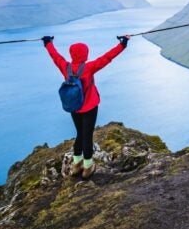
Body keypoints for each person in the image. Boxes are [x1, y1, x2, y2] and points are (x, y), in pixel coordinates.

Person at [42, 34, 130, 179]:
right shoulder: (89, 68)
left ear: (72, 54)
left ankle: (77, 165)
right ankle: (88, 167)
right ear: (85, 54)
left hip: (74, 107)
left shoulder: (66, 67)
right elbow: (107, 57)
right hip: (89, 107)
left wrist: (48, 43)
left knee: (80, 134)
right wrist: (123, 44)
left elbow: (55, 56)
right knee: (87, 136)